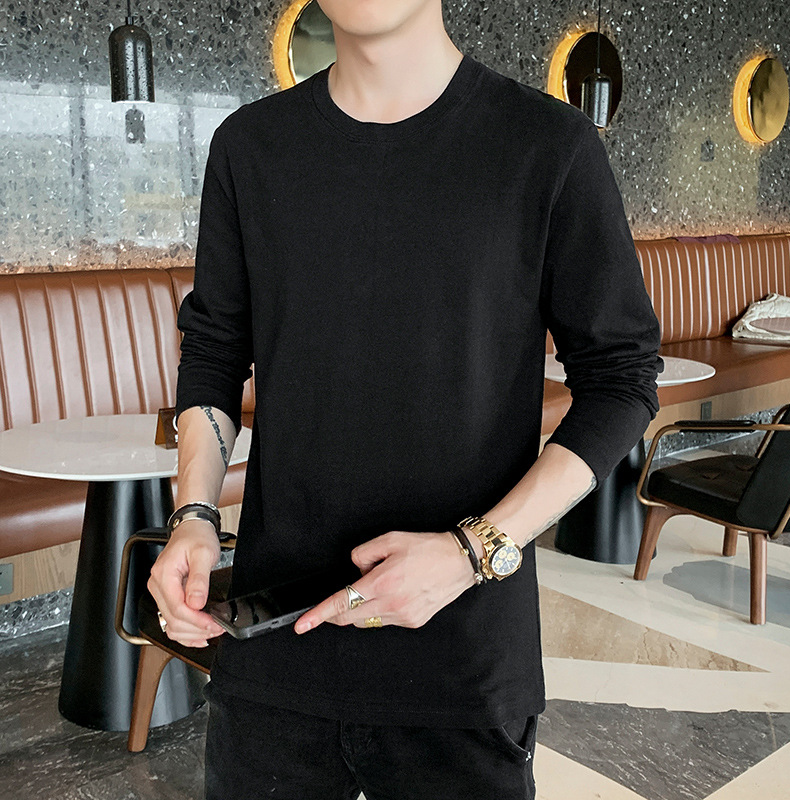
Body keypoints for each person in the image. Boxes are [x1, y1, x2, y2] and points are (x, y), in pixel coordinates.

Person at [147, 1, 662, 797]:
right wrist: (193, 515)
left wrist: (472, 551)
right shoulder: (251, 147)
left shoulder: (547, 146)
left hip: (462, 663)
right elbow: (214, 351)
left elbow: (621, 378)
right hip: (276, 646)